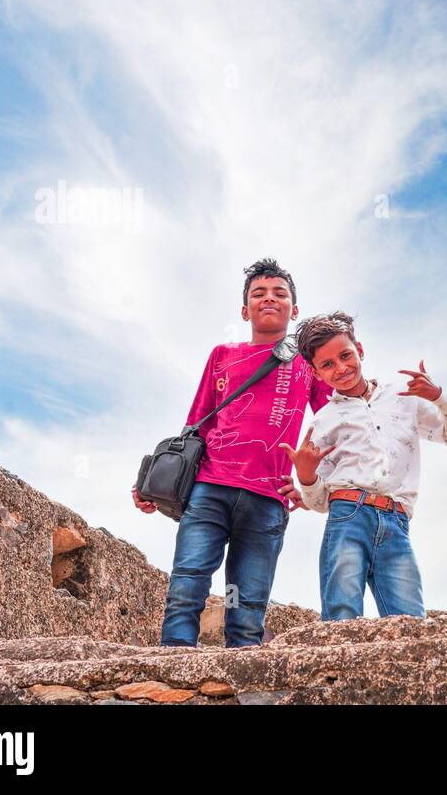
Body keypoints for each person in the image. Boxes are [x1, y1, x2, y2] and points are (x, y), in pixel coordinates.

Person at [133, 258, 332, 646]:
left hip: (269, 498)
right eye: (259, 294)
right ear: (245, 310)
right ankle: (173, 668)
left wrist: (314, 487)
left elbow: (334, 424)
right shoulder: (223, 355)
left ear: (295, 309)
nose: (269, 299)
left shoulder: (309, 364)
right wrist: (154, 484)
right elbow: (196, 426)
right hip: (210, 487)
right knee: (186, 587)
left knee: (248, 609)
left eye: (280, 293)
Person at [281, 311, 447, 620]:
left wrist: (438, 396)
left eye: (346, 355)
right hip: (347, 517)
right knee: (341, 614)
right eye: (327, 365)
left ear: (360, 349)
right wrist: (306, 476)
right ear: (316, 374)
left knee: (410, 621)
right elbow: (319, 503)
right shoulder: (323, 422)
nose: (341, 368)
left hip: (396, 521)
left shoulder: (403, 397)